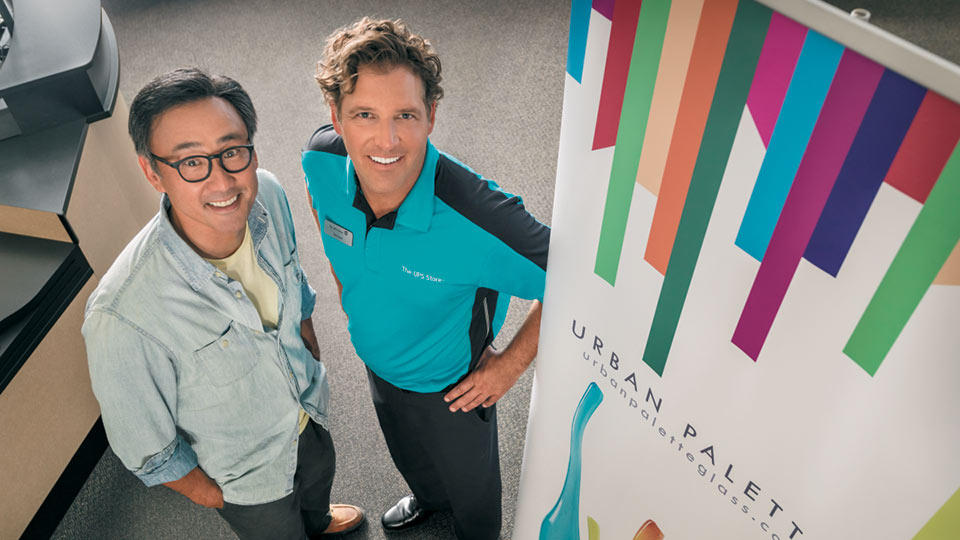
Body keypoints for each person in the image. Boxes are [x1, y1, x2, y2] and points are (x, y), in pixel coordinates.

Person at [82, 68, 364, 539]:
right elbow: (145, 445)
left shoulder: (267, 193)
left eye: (232, 152)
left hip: (308, 410)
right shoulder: (122, 315)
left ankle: (317, 519)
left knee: (316, 487)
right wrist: (210, 494)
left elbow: (295, 279)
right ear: (152, 171)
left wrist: (309, 346)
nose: (223, 182)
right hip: (249, 481)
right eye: (192, 162)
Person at [302, 18, 550, 540]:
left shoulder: (481, 218)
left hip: (453, 387)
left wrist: (508, 367)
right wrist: (349, 292)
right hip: (377, 362)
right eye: (364, 114)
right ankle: (430, 500)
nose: (386, 140)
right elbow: (325, 213)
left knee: (474, 492)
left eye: (406, 115)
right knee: (408, 454)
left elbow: (575, 285)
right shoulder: (321, 159)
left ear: (431, 115)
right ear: (337, 118)